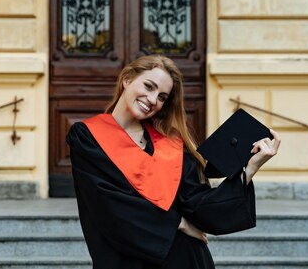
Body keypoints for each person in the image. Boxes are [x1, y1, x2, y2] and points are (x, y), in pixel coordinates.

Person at [66, 55, 281, 269]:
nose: (152, 100)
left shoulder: (171, 143)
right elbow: (107, 204)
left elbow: (198, 204)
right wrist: (178, 223)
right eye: (148, 86)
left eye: (161, 97)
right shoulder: (88, 137)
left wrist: (249, 169)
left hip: (186, 259)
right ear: (127, 79)